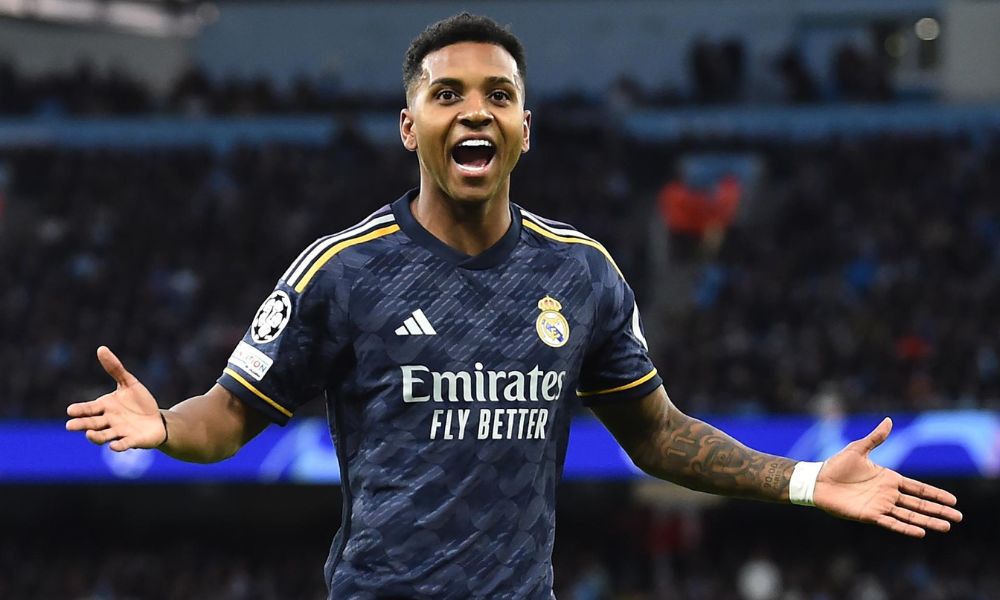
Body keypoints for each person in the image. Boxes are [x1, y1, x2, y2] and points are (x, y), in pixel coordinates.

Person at [66, 13, 962, 599]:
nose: (475, 111)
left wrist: (804, 480)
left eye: (499, 95)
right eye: (445, 94)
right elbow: (228, 417)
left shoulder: (583, 274)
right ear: (409, 126)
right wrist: (165, 426)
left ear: (525, 129)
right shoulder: (341, 271)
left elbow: (657, 435)